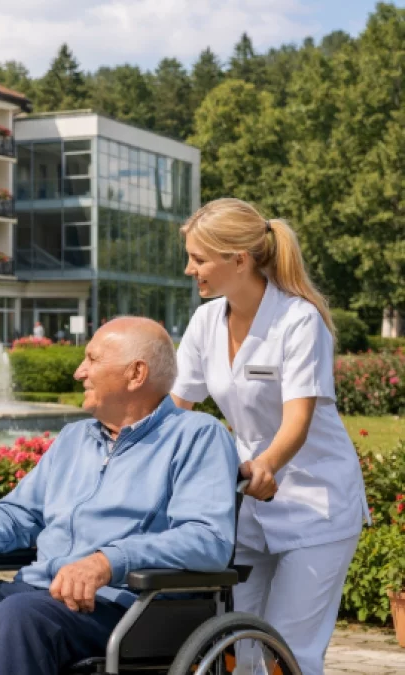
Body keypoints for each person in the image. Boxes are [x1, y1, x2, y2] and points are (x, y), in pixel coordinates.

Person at [0, 317, 239, 675]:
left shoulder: (196, 436)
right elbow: (21, 512)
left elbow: (207, 538)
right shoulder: (75, 438)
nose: (78, 371)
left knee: (20, 617)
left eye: (92, 359)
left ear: (136, 374)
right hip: (38, 598)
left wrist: (108, 561)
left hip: (127, 610)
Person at [171, 198, 367, 675]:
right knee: (235, 645)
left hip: (314, 504)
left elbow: (297, 419)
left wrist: (267, 464)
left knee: (289, 651)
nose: (188, 269)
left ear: (238, 259)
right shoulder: (204, 322)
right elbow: (177, 407)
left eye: (198, 258)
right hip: (248, 504)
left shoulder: (298, 319)